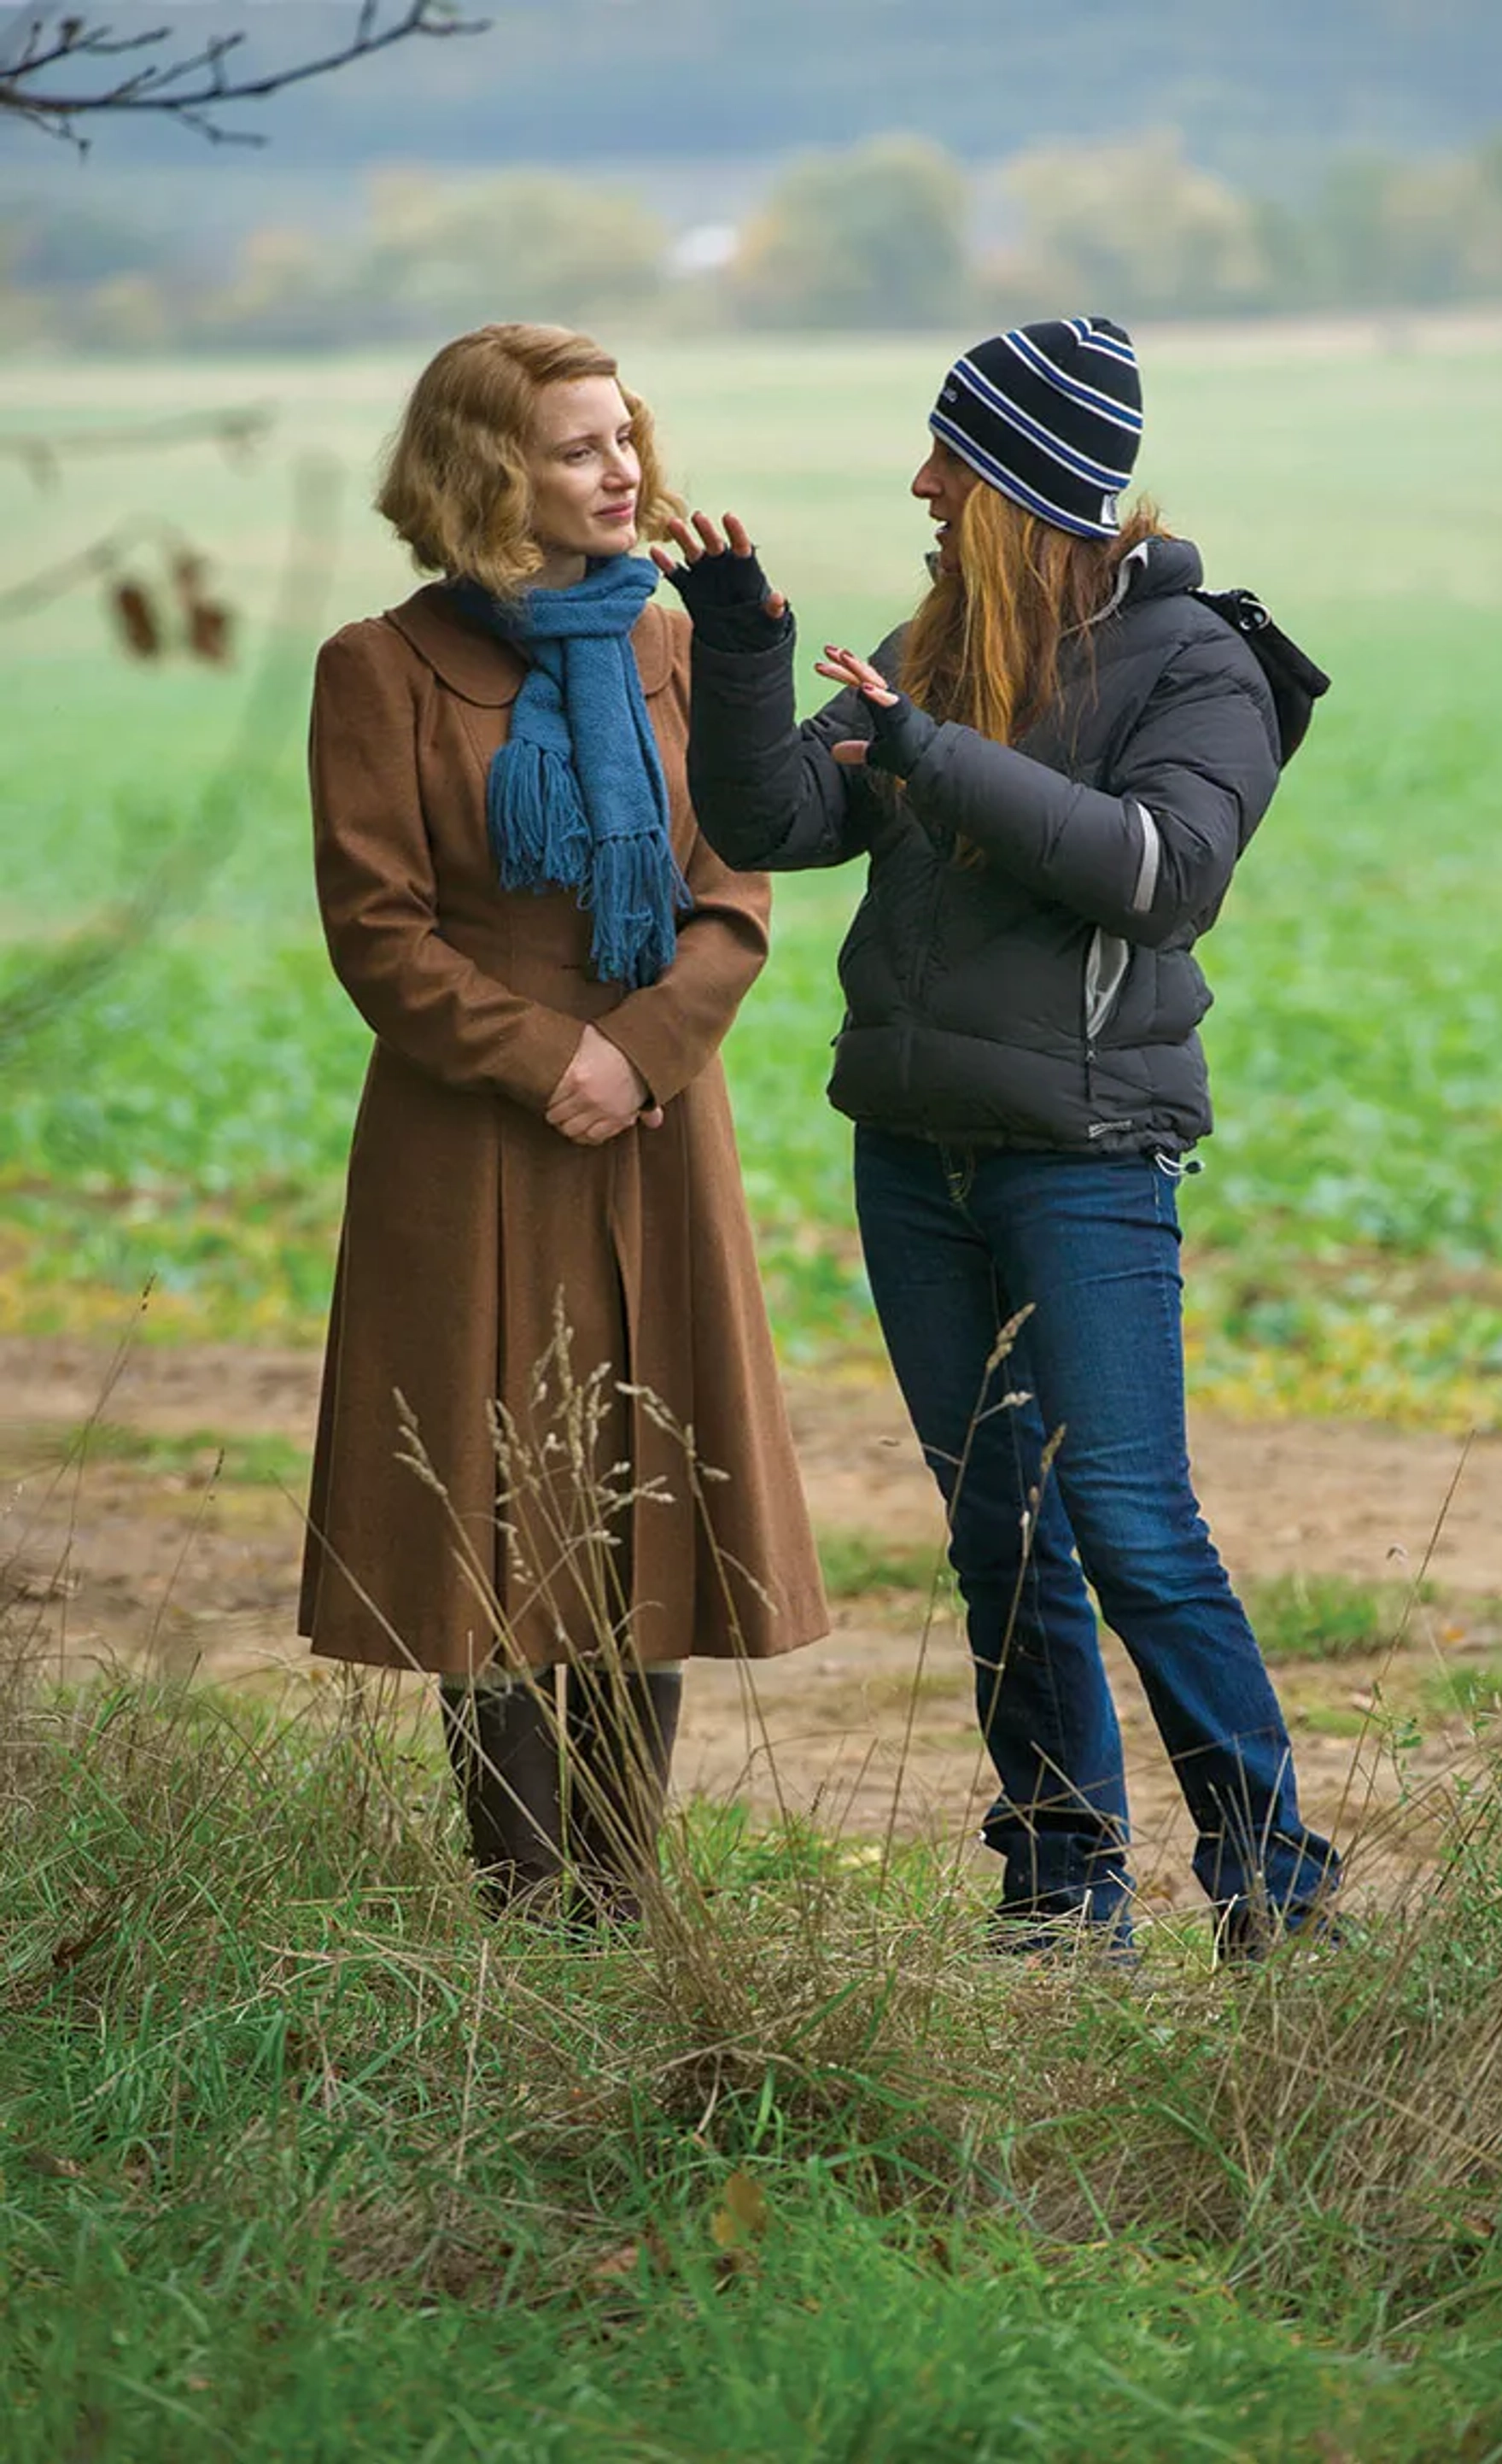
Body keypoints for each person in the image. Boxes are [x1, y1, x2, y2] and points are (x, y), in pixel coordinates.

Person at [660, 315, 1339, 1959]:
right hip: (914, 1152)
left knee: (1128, 1520)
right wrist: (746, 648)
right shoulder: (947, 636)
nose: (921, 482)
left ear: (1032, 486)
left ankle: (1276, 1895)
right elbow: (777, 821)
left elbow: (1160, 873)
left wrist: (924, 747)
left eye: (951, 460)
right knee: (998, 1534)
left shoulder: (1202, 665)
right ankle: (1058, 1894)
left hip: (1087, 1156)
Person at [300, 322, 828, 1923]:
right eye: (580, 446)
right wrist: (555, 1061)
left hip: (661, 1124)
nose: (624, 472)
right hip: (475, 1141)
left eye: (626, 438)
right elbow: (379, 933)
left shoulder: (672, 644)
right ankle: (526, 1905)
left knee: (643, 1497)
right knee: (499, 1507)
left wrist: (646, 1051)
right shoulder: (378, 668)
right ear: (487, 475)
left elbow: (734, 881)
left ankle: (622, 1896)